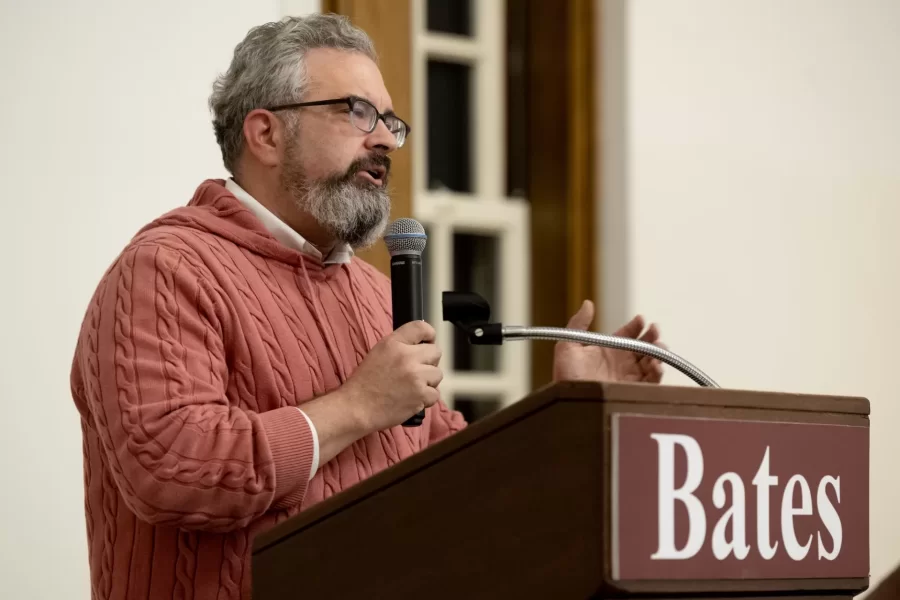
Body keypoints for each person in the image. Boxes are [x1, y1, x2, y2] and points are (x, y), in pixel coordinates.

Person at [69, 13, 665, 600]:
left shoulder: (376, 291)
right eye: (356, 112)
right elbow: (170, 468)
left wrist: (564, 414)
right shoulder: (166, 269)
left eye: (389, 121)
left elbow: (456, 480)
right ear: (266, 133)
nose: (383, 139)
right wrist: (357, 406)